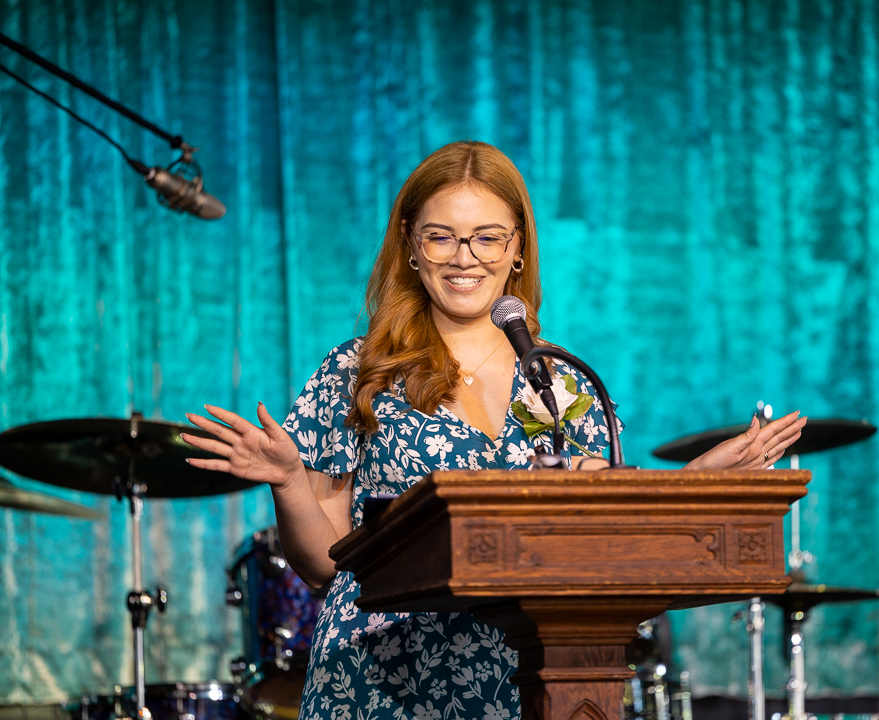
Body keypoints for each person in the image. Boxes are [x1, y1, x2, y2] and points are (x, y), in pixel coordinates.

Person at [182, 140, 806, 720]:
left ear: (517, 249)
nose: (465, 257)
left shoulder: (557, 381)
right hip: (379, 683)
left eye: (487, 237)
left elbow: (606, 527)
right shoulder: (360, 370)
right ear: (409, 245)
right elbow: (325, 566)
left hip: (531, 679)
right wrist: (290, 481)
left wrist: (696, 483)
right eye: (441, 237)